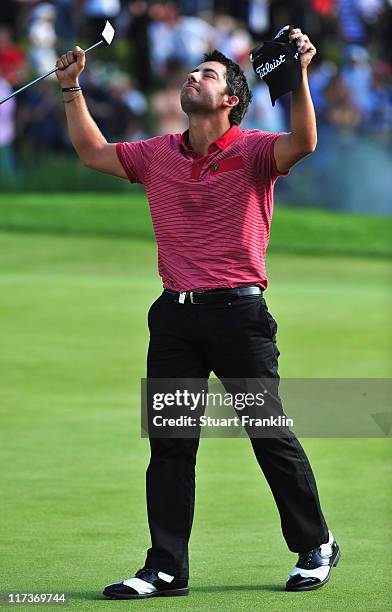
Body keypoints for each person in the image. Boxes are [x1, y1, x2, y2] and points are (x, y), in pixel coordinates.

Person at [55, 26, 340, 599]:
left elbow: (304, 142)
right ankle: (165, 568)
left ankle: (316, 543)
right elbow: (92, 153)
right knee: (171, 443)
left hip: (239, 315)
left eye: (206, 75)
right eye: (192, 74)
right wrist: (71, 90)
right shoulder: (157, 154)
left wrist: (301, 77)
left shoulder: (257, 149)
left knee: (267, 433)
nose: (193, 78)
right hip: (175, 319)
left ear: (230, 99)